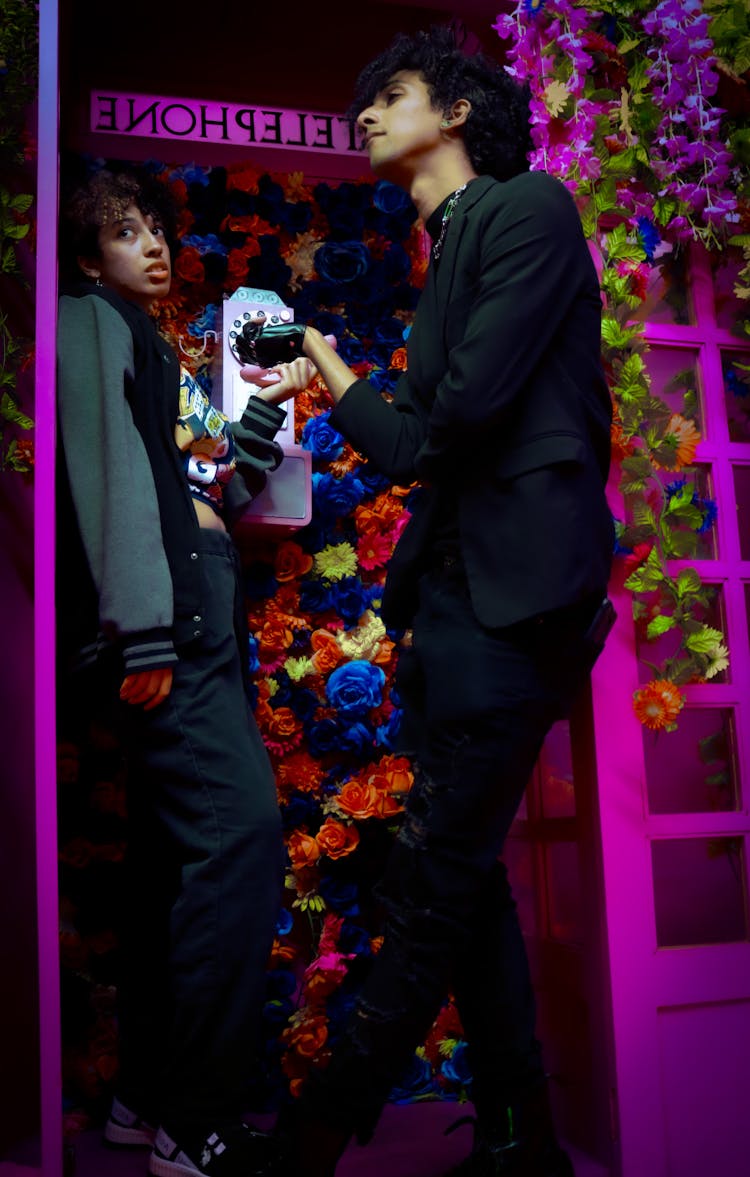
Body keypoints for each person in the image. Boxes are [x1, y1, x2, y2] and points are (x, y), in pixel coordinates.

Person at [242, 25, 615, 1177]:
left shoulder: (527, 210)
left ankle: (313, 1135)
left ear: (454, 111)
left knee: (432, 881)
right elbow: (408, 439)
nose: (365, 116)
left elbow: (451, 418)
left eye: (389, 96)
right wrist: (324, 357)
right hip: (454, 605)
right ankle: (523, 1138)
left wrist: (361, 379)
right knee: (462, 875)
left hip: (516, 601)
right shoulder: (443, 255)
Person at [56, 167, 316, 1177]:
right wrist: (145, 629)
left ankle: (144, 1100)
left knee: (175, 867)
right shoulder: (92, 321)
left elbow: (219, 477)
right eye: (126, 233)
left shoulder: (153, 344)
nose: (153, 245)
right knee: (241, 842)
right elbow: (108, 469)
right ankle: (193, 1126)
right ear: (89, 259)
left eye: (156, 228)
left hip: (197, 603)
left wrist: (265, 408)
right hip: (170, 616)